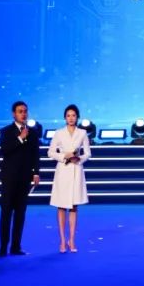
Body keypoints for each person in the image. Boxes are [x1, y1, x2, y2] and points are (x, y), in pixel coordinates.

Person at [0, 100, 40, 256]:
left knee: (20, 213)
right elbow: (4, 150)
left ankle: (16, 246)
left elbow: (35, 154)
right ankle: (3, 247)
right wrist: (20, 138)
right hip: (9, 178)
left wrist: (36, 172)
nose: (23, 114)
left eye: (25, 111)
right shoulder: (6, 131)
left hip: (24, 178)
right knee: (6, 213)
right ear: (14, 114)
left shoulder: (33, 132)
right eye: (20, 111)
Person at [48, 103, 90, 253]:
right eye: (68, 116)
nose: (71, 118)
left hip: (76, 170)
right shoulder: (59, 133)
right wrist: (64, 156)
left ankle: (72, 240)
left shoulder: (82, 133)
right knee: (61, 206)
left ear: (77, 117)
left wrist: (79, 159)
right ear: (65, 118)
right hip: (63, 170)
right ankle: (62, 240)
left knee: (73, 206)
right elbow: (51, 152)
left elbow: (88, 153)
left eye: (73, 115)